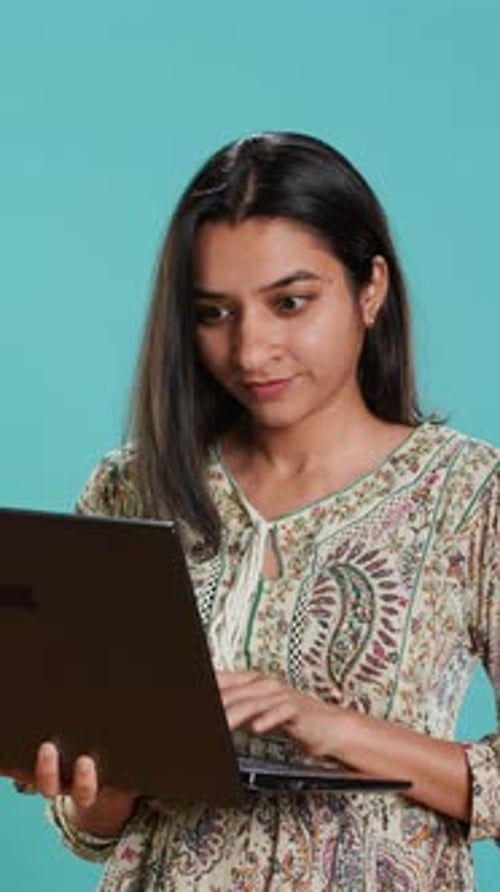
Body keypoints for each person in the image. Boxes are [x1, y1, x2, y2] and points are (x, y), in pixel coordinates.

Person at [18, 133, 500, 889]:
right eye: (214, 313)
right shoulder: (130, 490)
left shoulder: (471, 494)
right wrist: (96, 787)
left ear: (370, 289)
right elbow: (94, 833)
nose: (250, 349)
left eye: (290, 302)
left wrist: (336, 729)